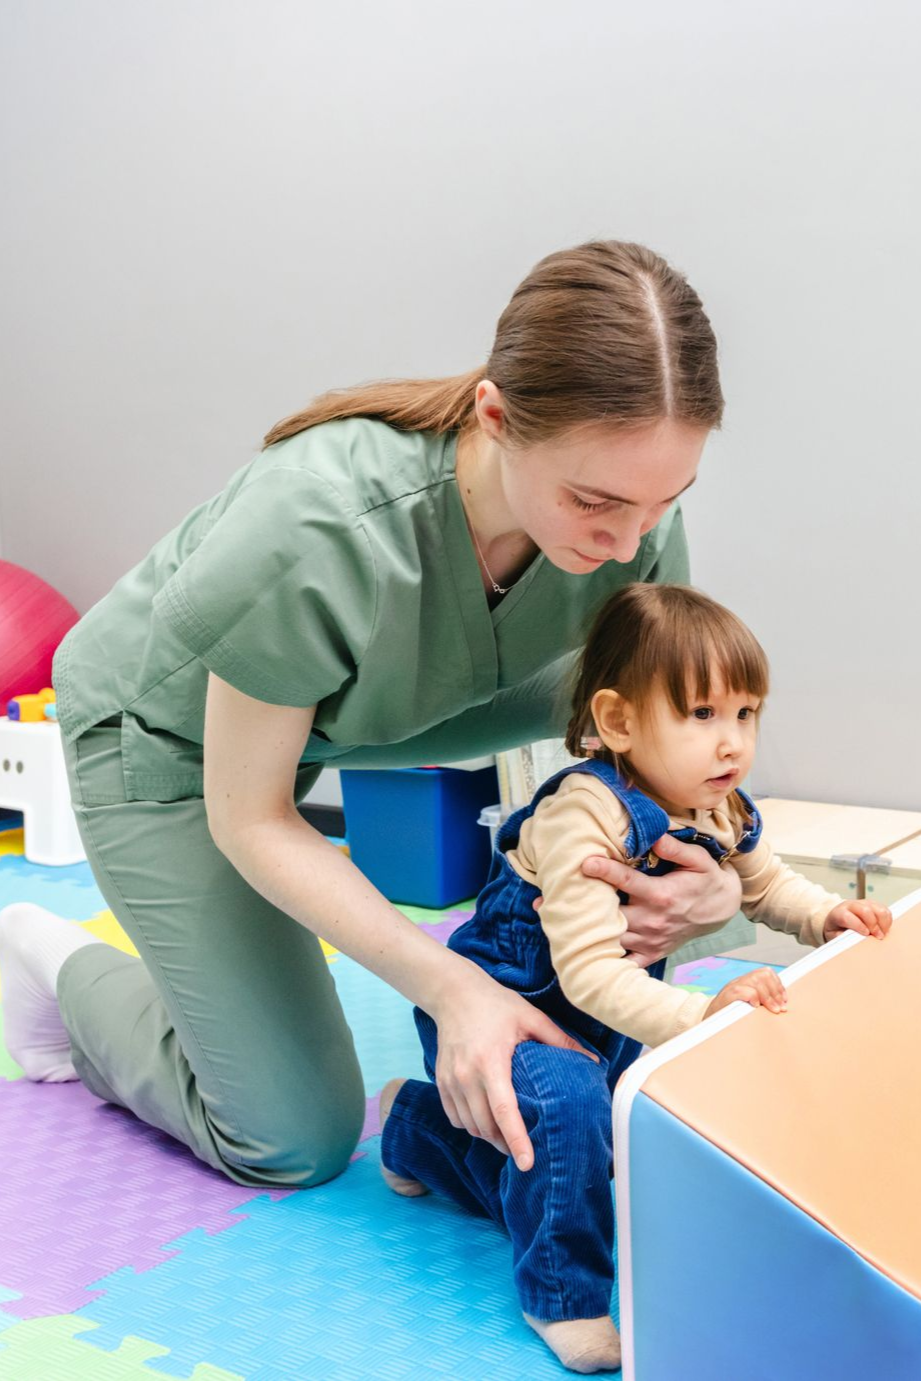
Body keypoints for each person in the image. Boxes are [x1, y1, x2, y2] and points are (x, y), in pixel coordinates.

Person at [0, 240, 742, 1197]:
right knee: (288, 1138)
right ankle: (56, 965)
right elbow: (251, 817)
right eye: (593, 501)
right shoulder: (317, 523)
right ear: (495, 417)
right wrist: (456, 987)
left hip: (358, 708)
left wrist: (714, 882)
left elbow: (673, 737)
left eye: (663, 502)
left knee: (634, 705)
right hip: (171, 742)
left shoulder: (631, 521)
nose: (628, 540)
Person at [378, 582, 893, 1375]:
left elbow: (765, 884)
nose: (731, 742)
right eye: (701, 714)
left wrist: (826, 915)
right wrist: (700, 1013)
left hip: (611, 1012)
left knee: (588, 1159)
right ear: (618, 722)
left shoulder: (717, 803)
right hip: (510, 1007)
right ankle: (562, 1296)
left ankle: (414, 1126)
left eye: (745, 713)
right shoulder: (583, 814)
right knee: (567, 1114)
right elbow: (586, 972)